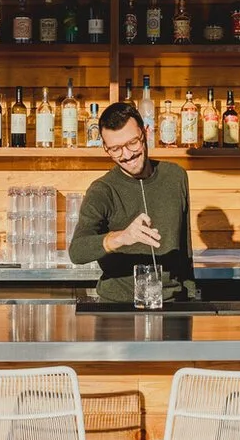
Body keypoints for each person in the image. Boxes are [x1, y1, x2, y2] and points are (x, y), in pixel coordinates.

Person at [67, 102, 198, 303]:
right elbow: (77, 251)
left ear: (145, 133)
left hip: (173, 305)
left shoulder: (175, 176)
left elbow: (184, 250)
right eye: (115, 149)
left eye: (132, 143)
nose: (127, 155)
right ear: (105, 147)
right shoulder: (102, 190)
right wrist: (122, 237)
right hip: (117, 308)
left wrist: (191, 297)